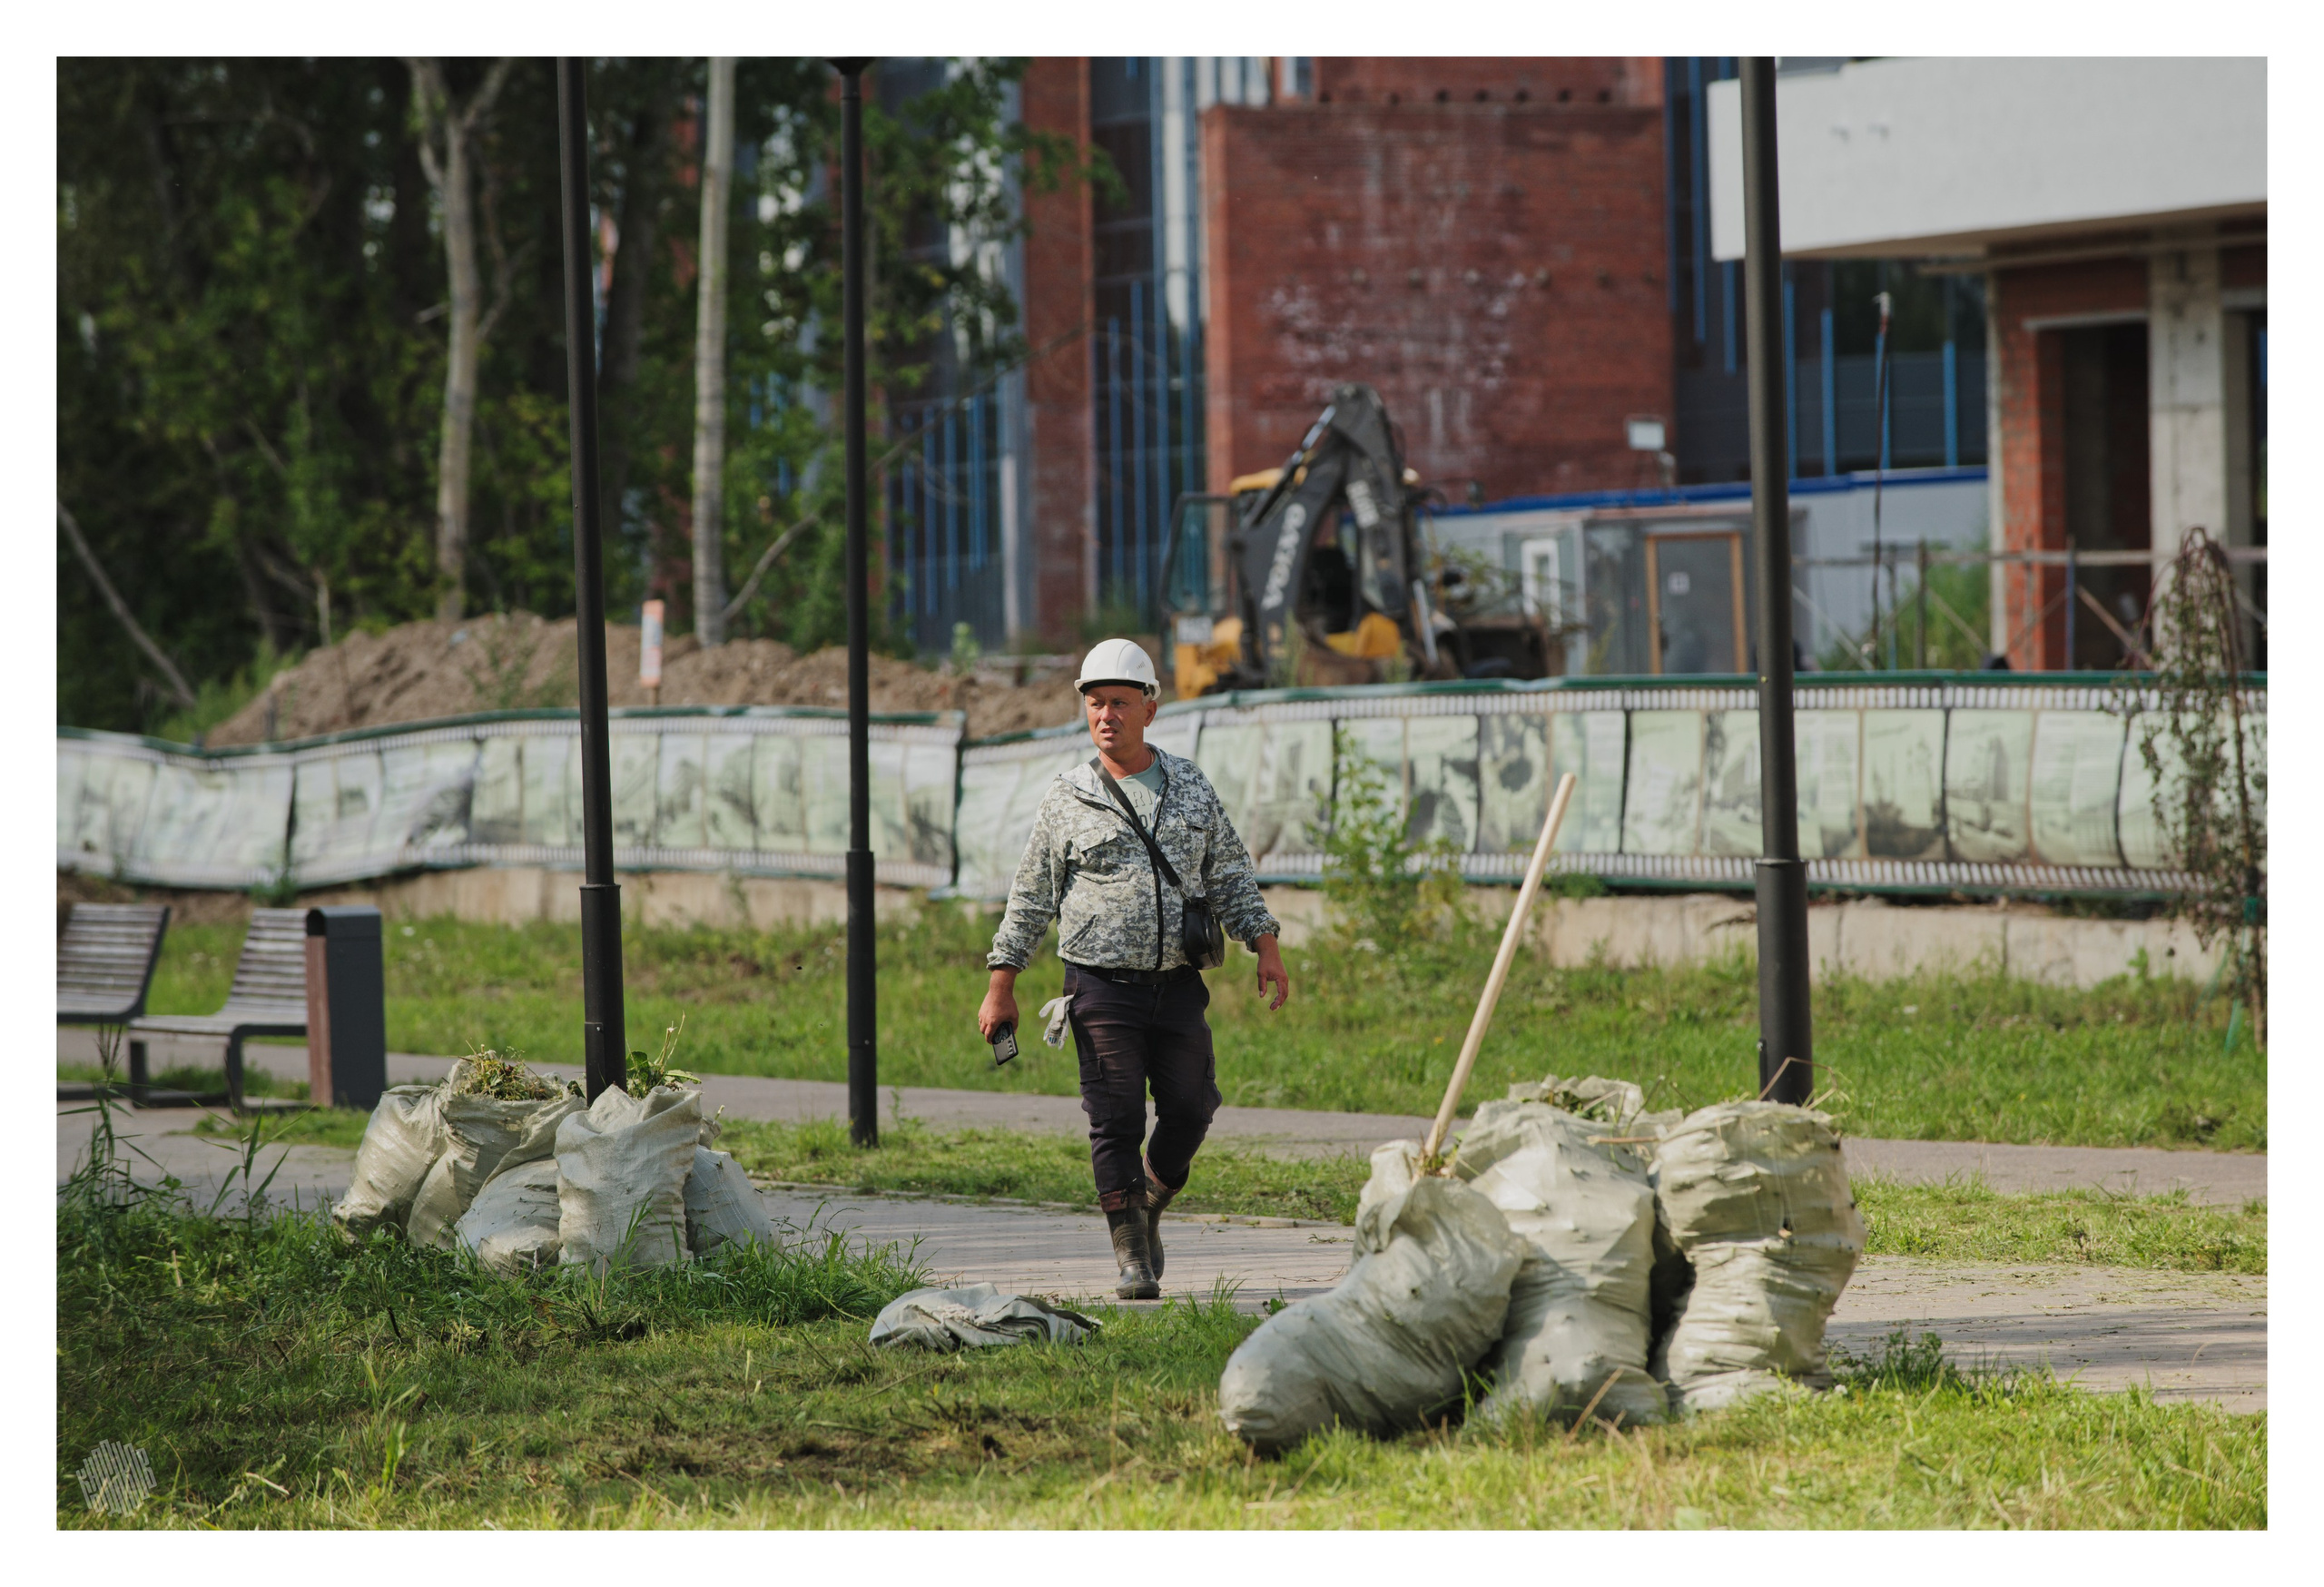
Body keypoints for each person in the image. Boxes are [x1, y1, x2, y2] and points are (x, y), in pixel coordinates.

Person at [978, 637, 1292, 1299]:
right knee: (1114, 1116)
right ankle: (1130, 1253)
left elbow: (1229, 871)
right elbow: (1031, 895)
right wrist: (1001, 981)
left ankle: (1149, 1195)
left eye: (1120, 703)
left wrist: (1263, 941)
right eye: (1095, 704)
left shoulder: (1190, 786)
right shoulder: (1067, 797)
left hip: (1178, 983)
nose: (1106, 716)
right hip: (1098, 986)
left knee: (1190, 1106)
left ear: (1150, 708)